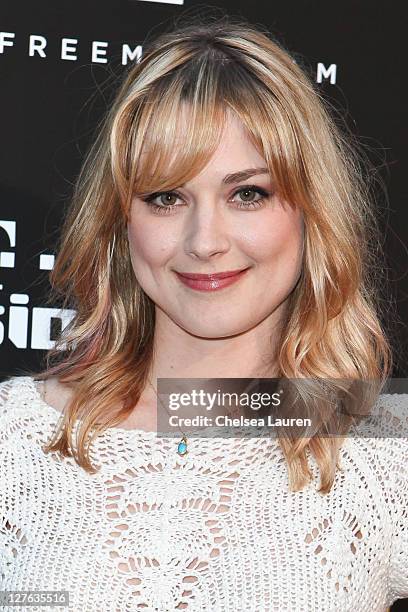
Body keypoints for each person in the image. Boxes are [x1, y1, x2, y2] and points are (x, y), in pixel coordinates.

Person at [0, 12, 407, 612]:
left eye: (248, 193)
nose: (204, 240)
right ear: (120, 223)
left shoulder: (381, 459)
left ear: (309, 211)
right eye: (166, 197)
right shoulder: (13, 441)